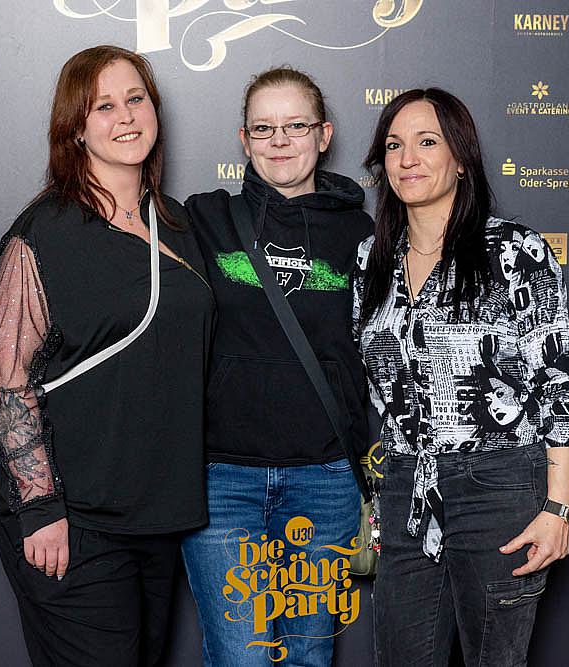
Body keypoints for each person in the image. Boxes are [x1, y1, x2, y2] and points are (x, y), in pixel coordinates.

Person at [0, 45, 214, 666]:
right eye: (103, 106)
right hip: (73, 517)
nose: (125, 116)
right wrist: (41, 508)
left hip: (156, 512)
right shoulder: (44, 232)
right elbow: (6, 379)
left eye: (136, 99)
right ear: (76, 128)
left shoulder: (178, 224)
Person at [353, 88, 569, 666]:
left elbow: (558, 382)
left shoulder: (514, 251)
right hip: (406, 487)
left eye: (427, 142)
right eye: (394, 146)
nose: (408, 159)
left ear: (461, 158)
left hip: (498, 485)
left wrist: (559, 508)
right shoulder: (371, 258)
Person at [182, 67, 372, 667]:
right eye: (263, 128)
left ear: (324, 134)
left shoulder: (363, 233)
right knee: (240, 659)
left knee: (308, 659)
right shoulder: (204, 219)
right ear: (244, 140)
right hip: (221, 480)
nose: (280, 140)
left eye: (296, 125)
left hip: (325, 479)